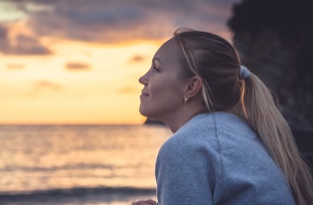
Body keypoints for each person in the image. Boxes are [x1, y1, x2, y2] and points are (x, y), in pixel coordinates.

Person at [132, 28, 313, 205]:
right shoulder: (237, 133)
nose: (143, 78)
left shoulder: (186, 147)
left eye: (156, 69)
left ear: (190, 86)